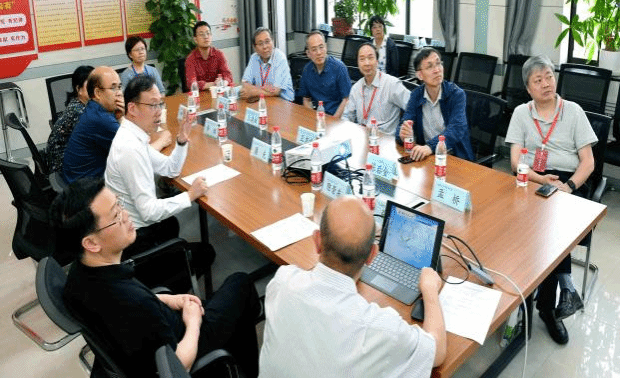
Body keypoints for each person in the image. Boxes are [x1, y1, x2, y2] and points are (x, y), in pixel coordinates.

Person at [52, 178, 260, 378]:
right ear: (91, 243)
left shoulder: (79, 274)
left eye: (120, 204)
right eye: (116, 215)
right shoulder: (133, 302)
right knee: (240, 284)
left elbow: (128, 312)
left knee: (228, 304)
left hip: (156, 334)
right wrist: (194, 322)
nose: (126, 215)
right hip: (186, 345)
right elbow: (178, 366)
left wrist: (168, 299)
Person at [259, 195, 446, 377]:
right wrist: (430, 290)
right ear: (372, 255)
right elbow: (436, 351)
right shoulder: (382, 328)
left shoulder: (282, 281)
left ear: (317, 241)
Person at [505, 54, 596, 345]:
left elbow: (588, 162)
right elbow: (515, 161)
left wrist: (567, 187)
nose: (546, 84)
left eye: (549, 77)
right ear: (528, 88)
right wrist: (539, 178)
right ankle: (562, 288)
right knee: (526, 226)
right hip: (533, 179)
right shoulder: (522, 113)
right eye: (538, 80)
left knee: (550, 229)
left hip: (570, 182)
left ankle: (545, 307)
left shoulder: (573, 111)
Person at [105, 74, 210, 261]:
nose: (159, 111)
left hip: (133, 225)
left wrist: (181, 140)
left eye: (160, 104)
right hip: (133, 240)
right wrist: (190, 195)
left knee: (171, 224)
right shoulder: (130, 149)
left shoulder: (133, 136)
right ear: (132, 108)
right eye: (153, 105)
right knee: (206, 252)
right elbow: (149, 212)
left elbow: (170, 169)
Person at [396, 47, 474, 161]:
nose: (437, 70)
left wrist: (430, 147)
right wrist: (403, 134)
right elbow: (404, 122)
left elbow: (457, 128)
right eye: (429, 67)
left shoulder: (456, 94)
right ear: (420, 75)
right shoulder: (416, 95)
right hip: (428, 156)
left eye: (438, 63)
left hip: (453, 156)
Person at [62, 67, 125, 184]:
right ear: (97, 93)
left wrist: (120, 117)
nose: (119, 93)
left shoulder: (94, 107)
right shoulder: (101, 119)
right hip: (85, 186)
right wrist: (161, 139)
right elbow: (134, 152)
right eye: (113, 88)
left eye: (120, 87)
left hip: (77, 176)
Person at [342, 43, 410, 133]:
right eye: (362, 59)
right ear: (358, 63)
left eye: (370, 58)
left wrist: (403, 130)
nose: (367, 63)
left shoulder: (392, 84)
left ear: (377, 61)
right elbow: (347, 116)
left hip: (386, 138)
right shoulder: (356, 88)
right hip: (363, 136)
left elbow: (413, 106)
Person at [46, 65, 93, 173]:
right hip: (63, 168)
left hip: (65, 161)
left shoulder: (77, 103)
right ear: (78, 89)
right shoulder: (78, 111)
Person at [299, 30, 351, 117]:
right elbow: (306, 99)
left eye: (321, 47)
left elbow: (346, 99)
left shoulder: (339, 67)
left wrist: (334, 120)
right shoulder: (307, 70)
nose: (319, 52)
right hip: (317, 115)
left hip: (337, 116)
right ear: (308, 53)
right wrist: (312, 118)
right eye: (314, 49)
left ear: (326, 47)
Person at [240, 27, 294, 102]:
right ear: (254, 47)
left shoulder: (280, 57)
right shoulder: (254, 58)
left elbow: (276, 91)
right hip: (263, 99)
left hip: (283, 101)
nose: (265, 47)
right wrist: (263, 90)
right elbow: (245, 83)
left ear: (273, 42)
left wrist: (254, 92)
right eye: (260, 44)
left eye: (267, 42)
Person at [185, 20, 233, 91]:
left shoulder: (219, 54)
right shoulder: (190, 59)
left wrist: (223, 82)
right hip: (200, 96)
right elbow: (191, 84)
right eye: (201, 34)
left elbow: (228, 76)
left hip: (218, 93)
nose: (206, 37)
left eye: (208, 33)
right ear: (195, 39)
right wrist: (214, 84)